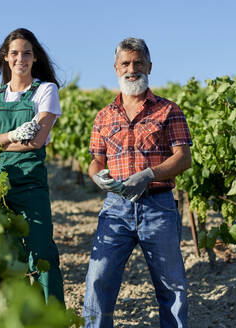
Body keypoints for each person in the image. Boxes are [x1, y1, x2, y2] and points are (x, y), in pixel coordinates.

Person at [82, 37, 192, 327]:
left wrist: (149, 175)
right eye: (126, 63)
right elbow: (95, 161)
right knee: (98, 279)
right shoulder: (103, 117)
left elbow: (183, 158)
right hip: (115, 209)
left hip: (158, 207)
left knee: (172, 287)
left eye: (138, 62)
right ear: (116, 68)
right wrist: (98, 178)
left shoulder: (169, 110)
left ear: (149, 67)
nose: (132, 69)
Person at [0, 28, 64, 305]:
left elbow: (36, 141)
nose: (20, 58)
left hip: (30, 184)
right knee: (5, 256)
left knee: (43, 253)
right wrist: (11, 136)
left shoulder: (46, 90)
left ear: (34, 59)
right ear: (5, 58)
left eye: (27, 53)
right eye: (15, 53)